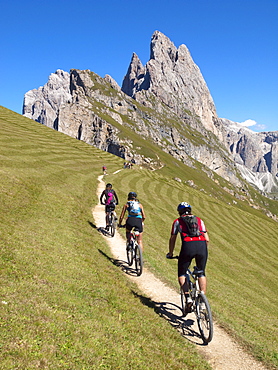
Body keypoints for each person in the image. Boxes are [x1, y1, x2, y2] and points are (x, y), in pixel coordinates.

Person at [167, 202, 209, 309]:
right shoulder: (199, 220)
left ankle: (187, 298)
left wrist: (171, 253)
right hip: (202, 245)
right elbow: (207, 239)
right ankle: (203, 300)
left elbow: (173, 238)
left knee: (182, 273)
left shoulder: (177, 221)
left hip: (188, 245)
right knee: (201, 272)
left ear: (179, 212)